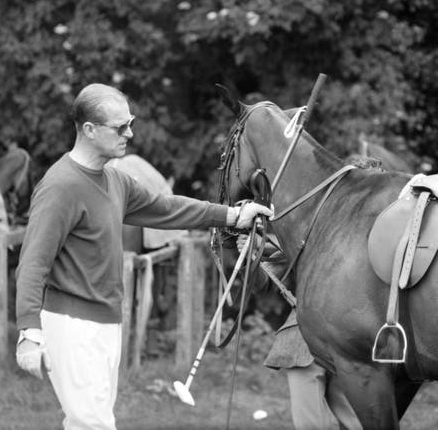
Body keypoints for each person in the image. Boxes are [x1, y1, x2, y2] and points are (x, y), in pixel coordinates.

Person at [15, 83, 272, 430]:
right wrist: (29, 333)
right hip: (72, 327)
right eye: (120, 127)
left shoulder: (115, 180)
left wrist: (231, 216)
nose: (130, 133)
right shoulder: (59, 186)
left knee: (89, 423)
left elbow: (166, 208)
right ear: (89, 130)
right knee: (93, 425)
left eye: (130, 123)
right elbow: (33, 262)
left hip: (107, 323)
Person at [237, 234, 361, 430]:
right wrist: (251, 257)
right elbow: (265, 283)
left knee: (354, 423)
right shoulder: (297, 234)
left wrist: (270, 245)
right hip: (303, 341)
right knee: (310, 424)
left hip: (350, 339)